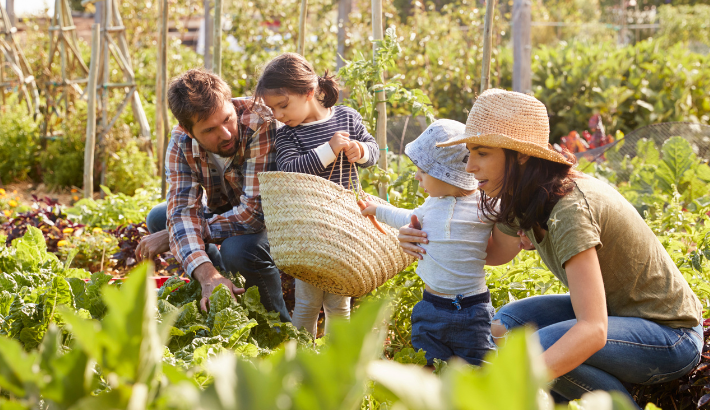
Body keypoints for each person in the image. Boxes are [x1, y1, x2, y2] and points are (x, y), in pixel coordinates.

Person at [400, 89, 703, 407]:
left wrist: (510, 385)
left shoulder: (569, 210)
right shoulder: (522, 197)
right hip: (619, 315)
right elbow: (493, 253)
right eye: (469, 152)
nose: (470, 166)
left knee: (535, 351)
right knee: (510, 323)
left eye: (482, 153)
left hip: (670, 335)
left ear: (520, 155)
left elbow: (592, 329)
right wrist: (422, 235)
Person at [135, 68, 290, 321]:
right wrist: (207, 273)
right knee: (160, 217)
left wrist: (184, 232)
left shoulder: (259, 122)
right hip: (230, 211)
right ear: (188, 130)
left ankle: (278, 325)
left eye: (227, 119)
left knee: (238, 249)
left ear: (231, 105)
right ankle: (221, 292)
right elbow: (182, 210)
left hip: (271, 218)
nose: (226, 133)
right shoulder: (180, 144)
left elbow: (253, 215)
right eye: (209, 130)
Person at [255, 52, 379, 336]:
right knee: (307, 302)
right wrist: (328, 149)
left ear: (309, 92)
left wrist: (359, 151)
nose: (278, 115)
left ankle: (336, 360)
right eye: (272, 109)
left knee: (339, 301)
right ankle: (300, 362)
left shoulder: (347, 118)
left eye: (282, 105)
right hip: (309, 231)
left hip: (344, 226)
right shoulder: (288, 135)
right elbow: (289, 169)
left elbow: (373, 151)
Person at [361, 119, 495, 366]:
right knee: (428, 365)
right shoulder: (430, 206)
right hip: (431, 307)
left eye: (423, 171)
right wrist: (377, 210)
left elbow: (513, 214)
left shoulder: (485, 206)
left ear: (447, 176)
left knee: (478, 369)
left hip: (473, 310)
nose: (417, 177)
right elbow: (403, 215)